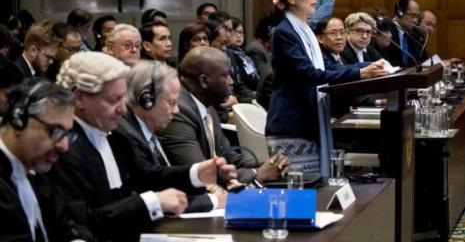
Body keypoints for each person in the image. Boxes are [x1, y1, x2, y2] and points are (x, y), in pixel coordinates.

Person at [52, 52, 236, 241]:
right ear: (79, 98)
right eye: (113, 100)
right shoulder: (62, 149)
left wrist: (198, 173)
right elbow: (84, 221)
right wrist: (150, 202)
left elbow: (145, 177)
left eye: (122, 99)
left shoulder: (115, 136)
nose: (123, 109)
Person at [265, 0, 388, 174]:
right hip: (293, 125)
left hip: (308, 122)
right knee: (300, 195)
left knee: (314, 193)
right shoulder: (285, 32)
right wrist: (360, 73)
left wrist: (370, 66)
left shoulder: (305, 30)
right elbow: (309, 75)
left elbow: (330, 67)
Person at [158, 46, 288, 184]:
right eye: (226, 75)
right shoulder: (179, 112)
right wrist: (257, 173)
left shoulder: (206, 104)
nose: (231, 82)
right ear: (204, 81)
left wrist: (270, 164)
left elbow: (228, 155)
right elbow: (201, 174)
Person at [118, 61, 227, 211]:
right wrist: (212, 200)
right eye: (171, 102)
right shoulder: (126, 136)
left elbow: (162, 179)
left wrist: (202, 177)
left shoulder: (147, 130)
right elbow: (151, 190)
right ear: (146, 100)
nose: (176, 110)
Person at [0, 79, 94, 241]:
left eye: (66, 134)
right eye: (56, 131)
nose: (64, 146)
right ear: (18, 120)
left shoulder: (39, 168)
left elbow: (69, 224)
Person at [389, 0, 422, 67]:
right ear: (399, 12)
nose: (416, 20)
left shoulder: (414, 35)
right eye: (412, 16)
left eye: (417, 17)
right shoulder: (387, 31)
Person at [228, 17, 259, 92]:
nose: (239, 36)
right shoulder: (228, 54)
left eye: (241, 32)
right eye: (234, 32)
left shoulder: (244, 52)